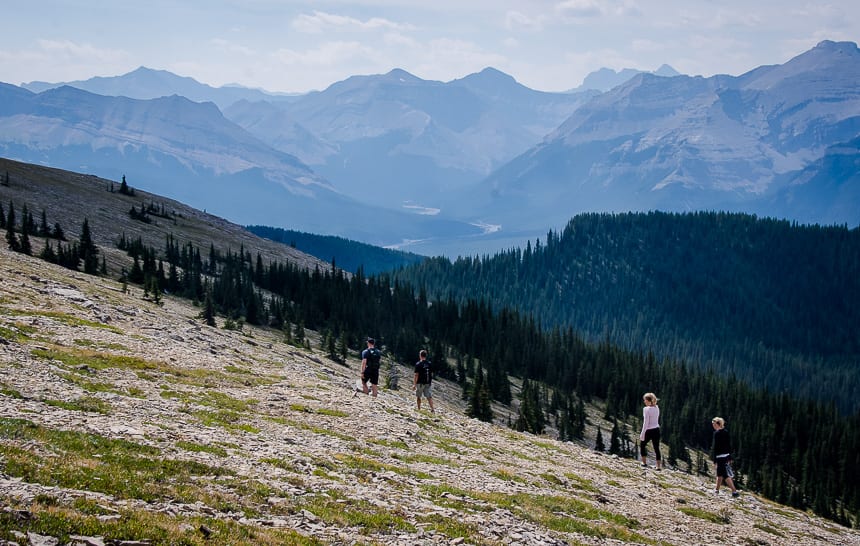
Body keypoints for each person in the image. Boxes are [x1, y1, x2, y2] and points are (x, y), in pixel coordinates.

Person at [711, 417, 740, 497]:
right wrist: (730, 456)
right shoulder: (726, 432)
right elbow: (728, 445)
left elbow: (716, 447)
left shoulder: (716, 433)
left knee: (725, 475)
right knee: (719, 474)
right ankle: (716, 490)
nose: (713, 425)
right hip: (726, 456)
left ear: (718, 424)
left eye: (713, 424)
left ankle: (734, 492)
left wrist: (714, 460)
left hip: (720, 457)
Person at [639, 392, 662, 470]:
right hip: (656, 429)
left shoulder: (646, 409)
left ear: (648, 400)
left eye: (645, 400)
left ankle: (644, 462)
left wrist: (642, 433)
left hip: (649, 430)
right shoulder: (657, 408)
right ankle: (658, 466)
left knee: (642, 445)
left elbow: (646, 422)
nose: (644, 401)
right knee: (656, 448)